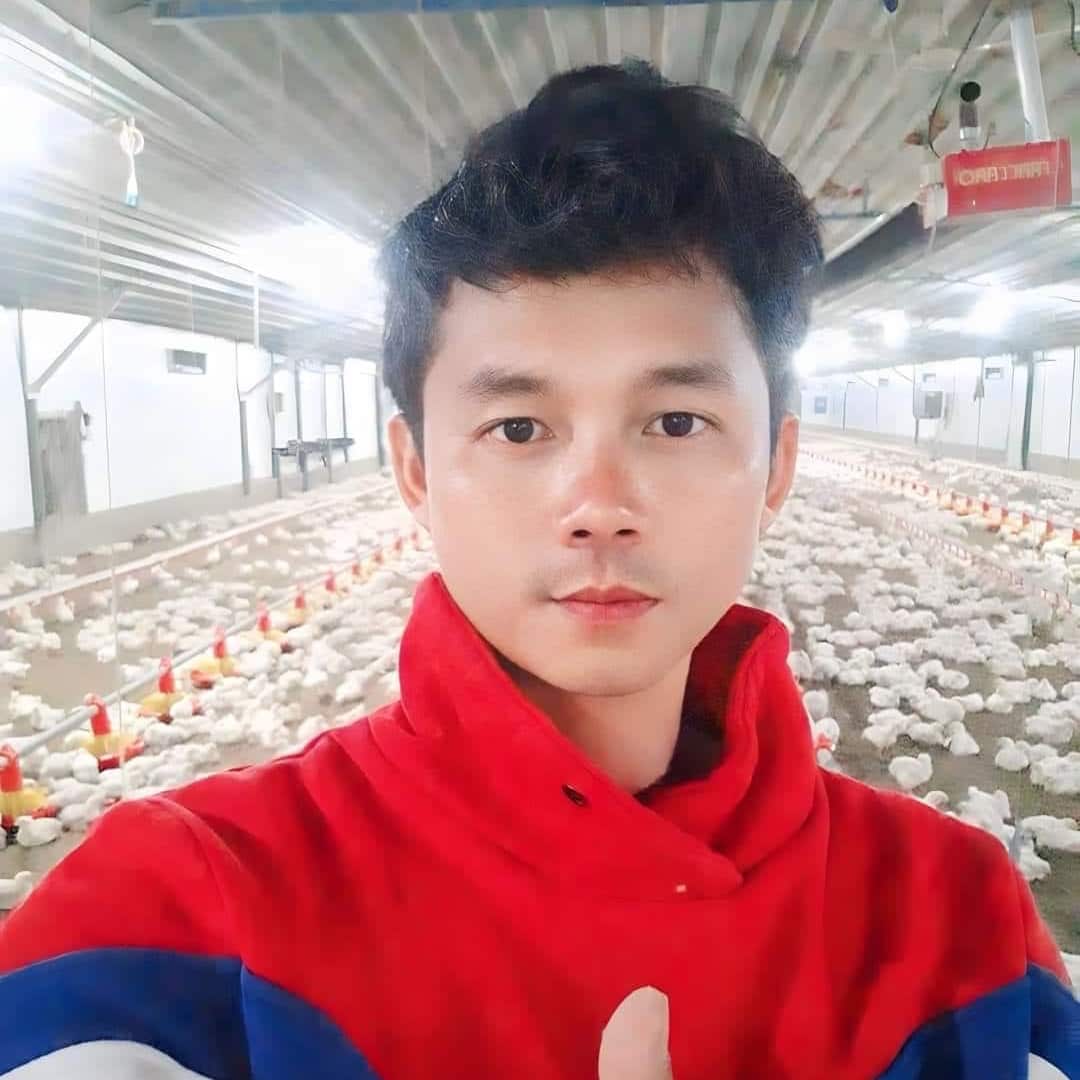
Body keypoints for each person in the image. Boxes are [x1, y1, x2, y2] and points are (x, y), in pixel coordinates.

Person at [0, 61, 1077, 1080]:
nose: (598, 503)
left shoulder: (961, 925)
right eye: (519, 428)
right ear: (414, 470)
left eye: (676, 420)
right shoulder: (189, 905)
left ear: (777, 465)